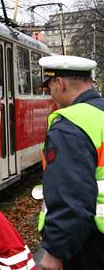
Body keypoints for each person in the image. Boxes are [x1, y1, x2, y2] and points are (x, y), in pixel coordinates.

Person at [37, 55, 104, 270]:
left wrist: (56, 251)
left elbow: (71, 193)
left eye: (49, 89)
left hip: (91, 244)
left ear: (60, 83)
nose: (51, 96)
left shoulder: (70, 125)